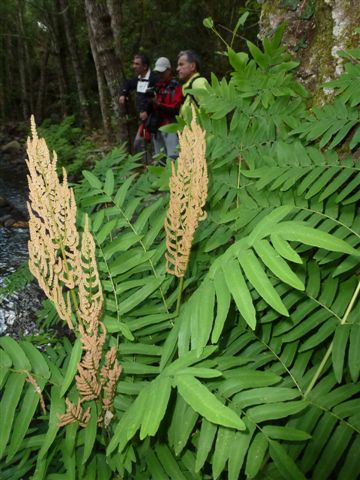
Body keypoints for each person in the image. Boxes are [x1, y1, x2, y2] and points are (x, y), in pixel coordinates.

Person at [119, 53, 158, 155]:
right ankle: (148, 166)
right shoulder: (138, 79)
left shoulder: (154, 79)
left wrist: (147, 111)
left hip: (156, 119)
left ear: (144, 66)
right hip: (144, 120)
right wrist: (123, 94)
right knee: (138, 144)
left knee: (155, 145)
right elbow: (127, 84)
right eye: (133, 63)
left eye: (137, 64)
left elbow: (157, 99)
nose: (134, 66)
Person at [148, 57, 183, 161]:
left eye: (162, 72)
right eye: (158, 72)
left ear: (169, 70)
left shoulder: (176, 87)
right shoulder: (158, 87)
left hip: (170, 127)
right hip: (157, 128)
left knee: (173, 158)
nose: (160, 75)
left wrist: (158, 104)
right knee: (159, 159)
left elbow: (175, 109)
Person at [177, 50, 209, 122]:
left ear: (192, 66)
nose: (177, 69)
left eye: (181, 64)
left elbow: (210, 112)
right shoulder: (187, 88)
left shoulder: (198, 83)